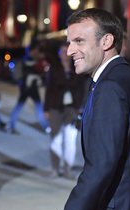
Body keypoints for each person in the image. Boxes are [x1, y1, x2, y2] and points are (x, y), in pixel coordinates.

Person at [60, 8, 130, 210]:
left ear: (106, 41)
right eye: (69, 42)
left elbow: (100, 167)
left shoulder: (109, 87)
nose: (69, 50)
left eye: (79, 41)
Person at [44, 42, 87, 179]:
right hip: (56, 107)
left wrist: (80, 106)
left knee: (70, 139)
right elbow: (49, 89)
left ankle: (68, 169)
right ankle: (55, 169)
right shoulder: (54, 68)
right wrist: (46, 109)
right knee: (55, 139)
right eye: (61, 51)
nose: (64, 54)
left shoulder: (76, 66)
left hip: (72, 108)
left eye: (66, 51)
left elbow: (81, 87)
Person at [6, 42, 49, 133]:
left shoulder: (28, 59)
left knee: (23, 106)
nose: (37, 52)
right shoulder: (28, 60)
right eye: (36, 50)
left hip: (28, 87)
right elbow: (30, 74)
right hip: (28, 88)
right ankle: (45, 127)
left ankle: (10, 125)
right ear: (32, 50)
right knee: (36, 107)